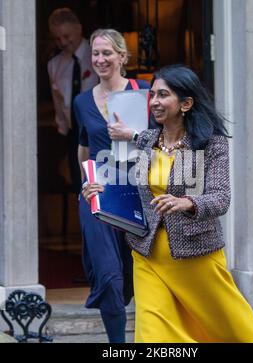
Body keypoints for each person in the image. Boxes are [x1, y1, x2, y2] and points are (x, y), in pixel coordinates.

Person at [125, 65, 253, 343]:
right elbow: (132, 190)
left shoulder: (210, 144)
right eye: (152, 94)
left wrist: (187, 202)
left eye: (163, 95)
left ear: (186, 103)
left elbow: (220, 197)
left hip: (196, 257)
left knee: (235, 331)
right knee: (154, 337)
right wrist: (99, 190)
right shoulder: (146, 142)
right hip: (148, 254)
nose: (154, 101)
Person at [75, 28, 150, 343]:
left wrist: (132, 135)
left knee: (133, 279)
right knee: (108, 275)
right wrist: (85, 182)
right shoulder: (82, 101)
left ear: (122, 56)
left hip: (137, 192)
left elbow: (164, 142)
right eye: (96, 53)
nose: (100, 59)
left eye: (107, 53)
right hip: (100, 197)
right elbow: (83, 147)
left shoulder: (144, 91)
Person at [47, 8, 98, 193]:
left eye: (66, 36)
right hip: (74, 135)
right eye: (57, 38)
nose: (63, 42)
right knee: (81, 188)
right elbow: (59, 104)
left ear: (79, 28)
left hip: (99, 131)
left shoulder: (98, 55)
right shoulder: (54, 64)